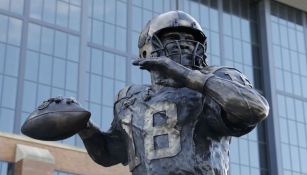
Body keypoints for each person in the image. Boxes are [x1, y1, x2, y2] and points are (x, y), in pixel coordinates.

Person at [78, 11, 269, 175]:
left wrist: (189, 77)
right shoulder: (128, 98)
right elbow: (111, 153)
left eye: (191, 40)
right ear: (147, 49)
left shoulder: (218, 80)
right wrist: (85, 127)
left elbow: (255, 108)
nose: (185, 44)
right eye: (173, 38)